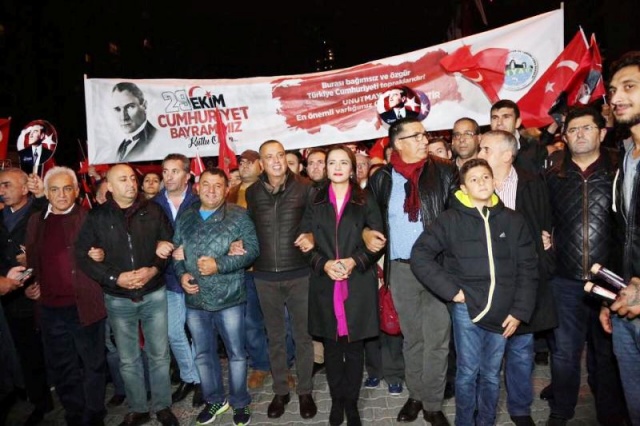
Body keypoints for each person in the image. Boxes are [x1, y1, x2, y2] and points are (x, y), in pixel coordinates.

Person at [411, 158, 538, 426]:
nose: (481, 183)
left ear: (494, 182)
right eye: (473, 179)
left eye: (485, 177)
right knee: (468, 373)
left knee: (491, 374)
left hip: (504, 312)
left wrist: (519, 311)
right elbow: (420, 255)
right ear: (463, 188)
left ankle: (486, 422)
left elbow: (528, 267)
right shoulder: (450, 219)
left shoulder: (513, 220)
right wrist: (452, 292)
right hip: (466, 309)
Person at [365, 117, 458, 425]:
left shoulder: (444, 171)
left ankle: (432, 404)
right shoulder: (382, 179)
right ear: (398, 144)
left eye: (424, 135)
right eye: (415, 136)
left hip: (437, 269)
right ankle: (415, 395)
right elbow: (370, 218)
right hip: (401, 270)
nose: (423, 140)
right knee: (412, 339)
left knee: (437, 340)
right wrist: (367, 232)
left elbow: (459, 217)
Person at [75, 164, 179, 426]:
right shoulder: (97, 216)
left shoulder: (153, 210)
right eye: (123, 179)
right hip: (118, 298)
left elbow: (168, 243)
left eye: (133, 178)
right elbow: (83, 256)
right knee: (128, 358)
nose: (131, 183)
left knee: (159, 354)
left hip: (153, 294)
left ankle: (163, 406)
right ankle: (138, 408)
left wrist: (154, 268)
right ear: (109, 186)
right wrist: (114, 277)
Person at [544, 106, 629, 425]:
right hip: (565, 279)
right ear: (565, 137)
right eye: (573, 129)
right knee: (564, 353)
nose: (579, 134)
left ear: (602, 132)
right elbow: (543, 215)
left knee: (606, 354)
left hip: (609, 278)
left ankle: (608, 414)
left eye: (586, 128)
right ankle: (561, 412)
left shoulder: (619, 169)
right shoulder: (554, 173)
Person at [478, 130, 557, 425]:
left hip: (524, 280)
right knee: (487, 355)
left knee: (522, 351)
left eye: (486, 149)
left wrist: (547, 250)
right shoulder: (473, 183)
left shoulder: (532, 184)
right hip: (487, 283)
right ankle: (484, 411)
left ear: (507, 155)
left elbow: (547, 224)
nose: (479, 154)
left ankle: (520, 410)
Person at [172, 168, 259, 426]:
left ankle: (240, 402)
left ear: (226, 189)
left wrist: (218, 265)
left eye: (218, 185)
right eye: (206, 184)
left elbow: (252, 250)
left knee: (236, 353)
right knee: (203, 354)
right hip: (195, 299)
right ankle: (215, 400)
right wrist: (181, 275)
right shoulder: (186, 217)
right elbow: (177, 252)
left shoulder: (238, 215)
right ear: (197, 187)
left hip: (229, 297)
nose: (211, 190)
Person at [305, 145, 384, 426]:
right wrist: (324, 264)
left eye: (343, 162)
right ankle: (337, 400)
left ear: (352, 168)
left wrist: (354, 261)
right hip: (325, 282)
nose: (337, 167)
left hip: (357, 282)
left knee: (354, 348)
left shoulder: (365, 199)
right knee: (332, 348)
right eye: (332, 163)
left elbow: (378, 240)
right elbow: (303, 240)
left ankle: (351, 403)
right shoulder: (315, 199)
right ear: (325, 168)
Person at [24, 167, 108, 425]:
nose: (61, 194)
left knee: (93, 364)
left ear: (76, 191)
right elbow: (32, 261)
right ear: (46, 193)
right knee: (63, 367)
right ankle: (74, 413)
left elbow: (109, 253)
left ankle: (94, 414)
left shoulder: (90, 218)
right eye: (55, 189)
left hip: (84, 306)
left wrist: (101, 255)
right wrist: (29, 284)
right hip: (49, 309)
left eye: (67, 188)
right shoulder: (35, 221)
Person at [245, 140, 317, 420]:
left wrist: (312, 235)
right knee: (274, 337)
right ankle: (280, 391)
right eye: (269, 157)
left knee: (303, 336)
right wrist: (239, 243)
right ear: (261, 163)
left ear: (286, 158)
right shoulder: (252, 192)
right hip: (264, 275)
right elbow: (249, 228)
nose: (276, 161)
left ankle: (306, 391)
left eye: (280, 155)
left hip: (299, 273)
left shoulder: (306, 187)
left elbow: (317, 221)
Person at [599, 50, 640, 425]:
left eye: (629, 87)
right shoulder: (625, 157)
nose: (616, 97)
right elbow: (621, 235)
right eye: (613, 90)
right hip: (625, 305)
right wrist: (610, 296)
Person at [0, 168, 53, 425]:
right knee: (26, 353)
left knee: (54, 350)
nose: (1, 191)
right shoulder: (1, 217)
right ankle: (40, 401)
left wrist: (38, 278)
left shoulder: (39, 212)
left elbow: (55, 250)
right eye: (0, 186)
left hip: (43, 294)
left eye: (7, 185)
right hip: (11, 298)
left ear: (24, 189)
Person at [151, 154, 202, 406]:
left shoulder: (200, 200)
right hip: (169, 278)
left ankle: (204, 379)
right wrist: (156, 245)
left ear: (187, 175)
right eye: (165, 171)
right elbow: (145, 238)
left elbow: (213, 235)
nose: (169, 176)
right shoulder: (153, 204)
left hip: (197, 275)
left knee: (200, 332)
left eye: (175, 171)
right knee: (173, 332)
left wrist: (189, 251)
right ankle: (191, 377)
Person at [490, 99, 547, 174]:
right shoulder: (483, 150)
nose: (499, 123)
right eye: (495, 118)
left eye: (506, 117)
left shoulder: (535, 150)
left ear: (517, 122)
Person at [111, 82, 157, 162]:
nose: (123, 117)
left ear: (144, 105)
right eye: (117, 109)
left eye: (130, 107)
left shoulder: (156, 140)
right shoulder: (122, 146)